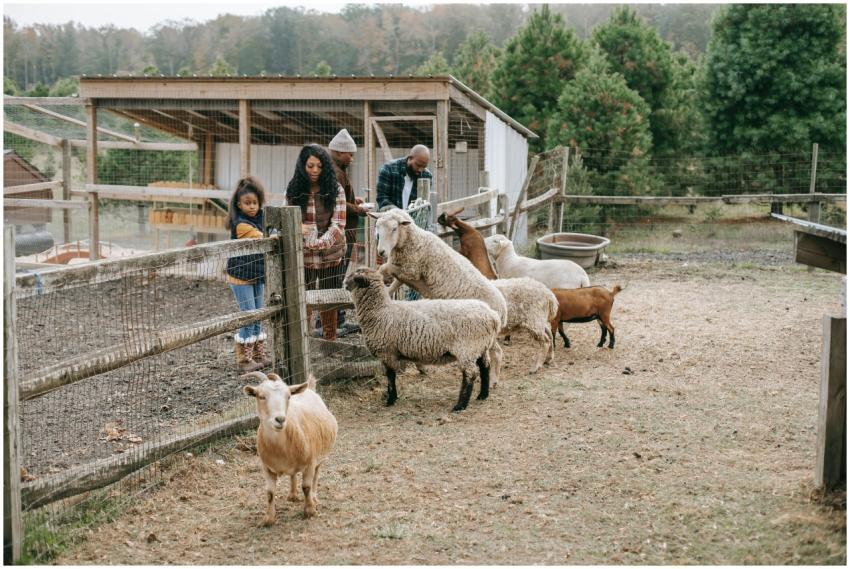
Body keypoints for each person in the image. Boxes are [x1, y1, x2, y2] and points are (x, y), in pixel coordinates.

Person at [285, 144, 347, 341]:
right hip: (303, 256)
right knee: (304, 297)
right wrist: (298, 229)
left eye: (319, 166)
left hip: (330, 254)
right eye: (310, 165)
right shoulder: (294, 188)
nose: (314, 171)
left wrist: (321, 242)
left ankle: (330, 341)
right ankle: (305, 341)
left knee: (329, 299)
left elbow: (339, 223)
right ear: (302, 165)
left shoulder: (335, 188)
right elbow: (286, 217)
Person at [225, 176, 272, 372]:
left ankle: (258, 354)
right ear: (239, 204)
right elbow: (263, 237)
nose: (252, 206)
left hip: (257, 274)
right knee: (249, 316)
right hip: (241, 277)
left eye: (255, 202)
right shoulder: (242, 225)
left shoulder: (261, 217)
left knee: (258, 315)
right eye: (247, 203)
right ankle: (244, 359)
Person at [328, 128, 367, 334]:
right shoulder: (335, 173)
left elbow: (342, 201)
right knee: (336, 275)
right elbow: (337, 205)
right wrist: (357, 209)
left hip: (344, 231)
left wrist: (353, 201)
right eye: (349, 154)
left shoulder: (338, 171)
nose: (351, 158)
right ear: (338, 151)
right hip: (342, 233)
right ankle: (333, 323)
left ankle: (335, 320)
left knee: (337, 275)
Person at [376, 144, 433, 211]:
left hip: (413, 220)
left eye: (424, 167)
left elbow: (424, 205)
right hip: (389, 218)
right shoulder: (389, 169)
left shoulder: (427, 176)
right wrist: (401, 215)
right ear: (410, 158)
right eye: (418, 165)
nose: (420, 170)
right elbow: (382, 199)